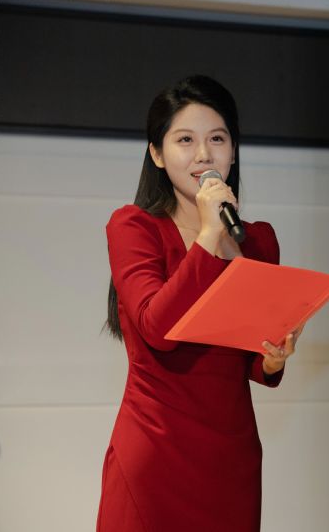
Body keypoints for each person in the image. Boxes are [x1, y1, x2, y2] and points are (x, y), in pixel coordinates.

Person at [97, 75, 301, 531]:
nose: (204, 154)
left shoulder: (258, 240)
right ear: (156, 153)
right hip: (156, 454)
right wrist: (209, 235)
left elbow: (247, 360)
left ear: (234, 151)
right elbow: (157, 329)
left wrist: (272, 358)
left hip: (231, 460)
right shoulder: (134, 227)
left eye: (217, 139)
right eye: (185, 140)